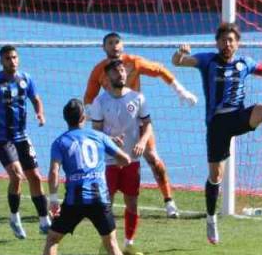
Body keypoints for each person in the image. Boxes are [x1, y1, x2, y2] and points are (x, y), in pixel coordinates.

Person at [172, 22, 262, 245]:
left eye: (231, 40)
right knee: (216, 176)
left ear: (237, 43)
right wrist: (180, 53)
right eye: (223, 40)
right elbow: (178, 62)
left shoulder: (245, 63)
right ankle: (210, 218)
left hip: (237, 117)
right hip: (217, 124)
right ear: (217, 43)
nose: (227, 44)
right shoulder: (207, 60)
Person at [30, 99, 134, 255]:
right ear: (83, 118)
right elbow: (126, 160)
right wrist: (108, 152)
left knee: (52, 239)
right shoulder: (99, 137)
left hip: (74, 201)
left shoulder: (60, 142)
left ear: (65, 119)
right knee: (111, 243)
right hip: (99, 199)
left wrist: (53, 199)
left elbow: (53, 172)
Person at [83, 32, 197, 218]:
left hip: (137, 123)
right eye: (110, 43)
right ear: (104, 48)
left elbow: (160, 70)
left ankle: (169, 201)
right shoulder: (99, 71)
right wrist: (90, 112)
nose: (114, 46)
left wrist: (181, 91)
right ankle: (99, 208)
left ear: (123, 45)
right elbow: (89, 96)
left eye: (117, 42)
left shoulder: (134, 63)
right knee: (104, 164)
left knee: (153, 158)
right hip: (112, 126)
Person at [0, 45, 49, 239]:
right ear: (1, 61)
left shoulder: (26, 79)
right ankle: (15, 218)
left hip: (22, 136)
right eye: (8, 58)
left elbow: (36, 98)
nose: (12, 61)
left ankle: (44, 221)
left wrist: (40, 113)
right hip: (1, 138)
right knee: (17, 176)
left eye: (15, 57)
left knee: (35, 176)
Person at [88, 59, 154, 255]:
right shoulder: (99, 102)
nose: (121, 74)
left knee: (132, 201)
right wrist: (110, 141)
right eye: (116, 72)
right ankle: (107, 242)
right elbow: (96, 132)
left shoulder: (138, 98)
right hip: (108, 162)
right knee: (105, 203)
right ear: (108, 77)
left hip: (131, 160)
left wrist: (142, 142)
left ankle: (129, 242)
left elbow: (147, 124)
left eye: (123, 71)